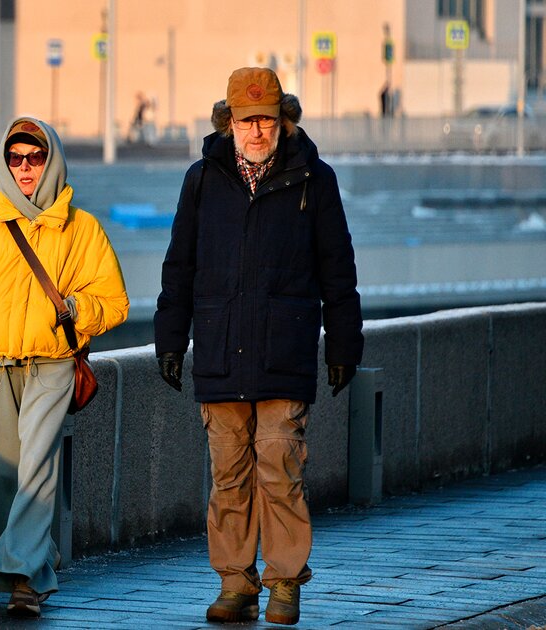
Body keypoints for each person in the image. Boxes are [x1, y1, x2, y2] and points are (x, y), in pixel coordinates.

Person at [152, 67, 363, 626]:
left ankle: (285, 584)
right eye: (246, 121)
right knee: (229, 474)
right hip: (221, 350)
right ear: (229, 122)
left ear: (282, 121)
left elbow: (338, 272)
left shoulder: (315, 180)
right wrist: (171, 340)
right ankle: (235, 583)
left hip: (284, 351)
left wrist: (344, 344)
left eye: (266, 119)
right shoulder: (202, 179)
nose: (256, 130)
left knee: (280, 467)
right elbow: (180, 267)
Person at [0, 116, 129, 618]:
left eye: (36, 157)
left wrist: (70, 309)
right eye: (15, 158)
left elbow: (114, 302)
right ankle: (31, 572)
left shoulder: (81, 229)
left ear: (52, 161)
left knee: (38, 469)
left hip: (52, 363)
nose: (25, 168)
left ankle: (21, 576)